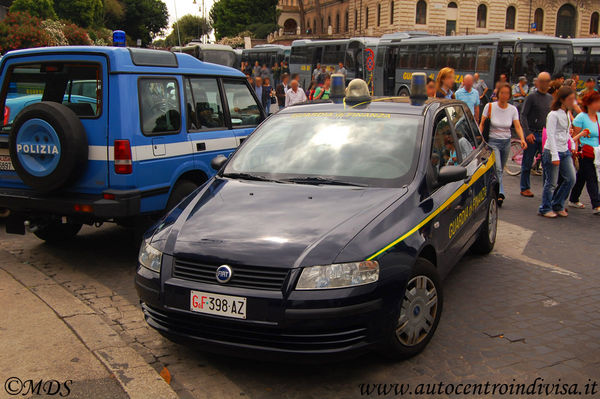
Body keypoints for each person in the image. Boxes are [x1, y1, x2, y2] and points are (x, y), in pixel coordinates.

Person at [479, 82, 527, 206]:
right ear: (498, 94)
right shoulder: (489, 106)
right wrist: (480, 138)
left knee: (500, 169)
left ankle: (493, 188)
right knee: (499, 169)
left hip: (506, 142)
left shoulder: (512, 109)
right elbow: (482, 122)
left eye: (507, 93)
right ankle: (500, 193)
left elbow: (517, 125)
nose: (504, 96)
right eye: (502, 93)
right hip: (493, 141)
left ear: (510, 96)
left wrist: (522, 139)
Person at [538, 87, 578, 218]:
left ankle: (558, 204)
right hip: (552, 151)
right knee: (551, 183)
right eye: (570, 99)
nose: (573, 102)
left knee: (571, 179)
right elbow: (551, 135)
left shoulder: (566, 114)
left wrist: (571, 144)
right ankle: (545, 208)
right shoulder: (553, 115)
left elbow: (566, 132)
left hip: (564, 151)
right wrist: (555, 155)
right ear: (562, 99)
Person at [519, 72, 553, 198]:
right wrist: (527, 132)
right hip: (532, 134)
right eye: (542, 81)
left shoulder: (550, 98)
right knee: (527, 163)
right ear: (537, 82)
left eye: (547, 81)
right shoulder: (531, 97)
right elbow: (523, 115)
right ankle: (525, 187)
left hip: (544, 135)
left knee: (546, 164)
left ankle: (547, 190)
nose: (545, 83)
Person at [569, 91, 600, 214]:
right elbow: (574, 136)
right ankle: (596, 204)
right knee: (591, 176)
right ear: (589, 103)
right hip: (584, 152)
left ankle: (573, 198)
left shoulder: (598, 116)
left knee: (582, 176)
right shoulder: (581, 117)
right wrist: (575, 151)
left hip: (597, 152)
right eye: (596, 102)